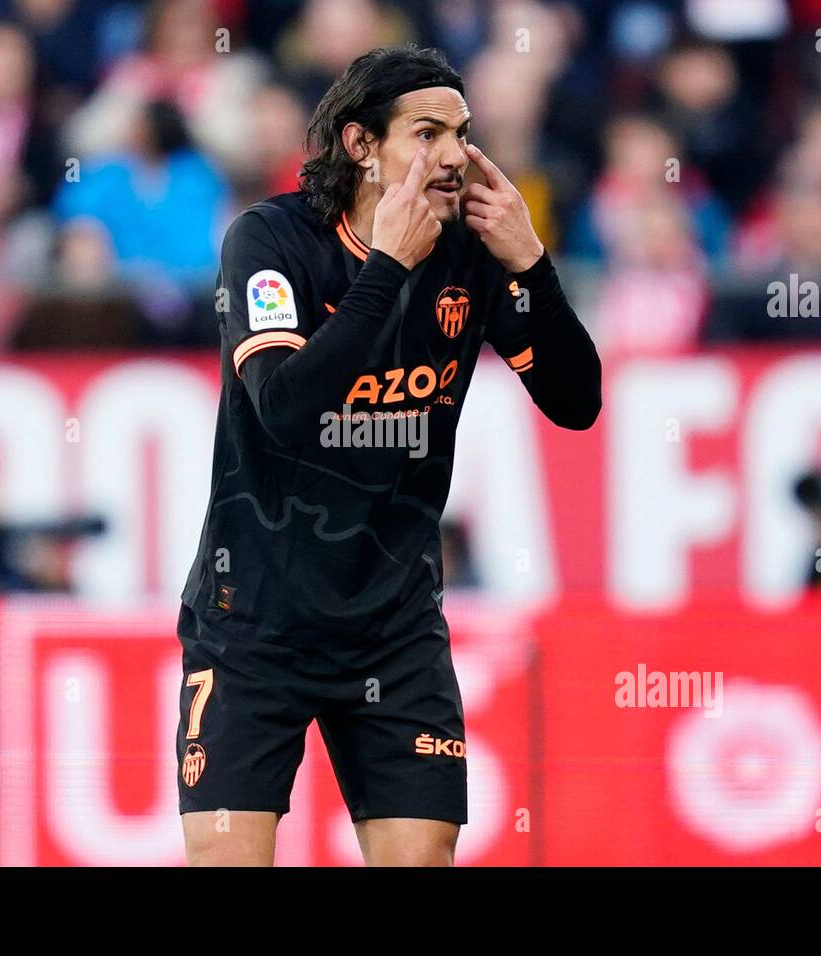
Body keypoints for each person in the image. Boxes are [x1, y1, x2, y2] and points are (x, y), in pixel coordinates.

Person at [176, 44, 601, 867]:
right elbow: (285, 411)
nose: (453, 156)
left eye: (463, 134)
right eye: (428, 133)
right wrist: (385, 269)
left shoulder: (468, 255)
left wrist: (532, 265)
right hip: (253, 621)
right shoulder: (269, 243)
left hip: (392, 622)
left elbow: (576, 403)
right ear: (360, 145)